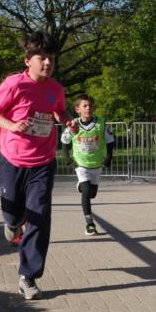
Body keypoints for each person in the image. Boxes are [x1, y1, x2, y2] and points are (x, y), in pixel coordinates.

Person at [0, 31, 75, 300]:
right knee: (13, 213)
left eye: (52, 59)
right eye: (42, 58)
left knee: (40, 215)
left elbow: (59, 111)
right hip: (12, 159)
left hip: (43, 162)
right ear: (28, 60)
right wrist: (12, 125)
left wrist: (66, 120)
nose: (47, 64)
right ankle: (12, 223)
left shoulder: (55, 89)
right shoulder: (14, 84)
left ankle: (29, 276)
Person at [60, 93, 116, 236]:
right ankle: (90, 223)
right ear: (78, 109)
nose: (88, 108)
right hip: (81, 163)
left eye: (90, 105)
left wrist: (109, 157)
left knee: (92, 194)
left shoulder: (100, 123)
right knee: (86, 191)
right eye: (84, 106)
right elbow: (65, 141)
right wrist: (66, 157)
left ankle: (81, 186)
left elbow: (110, 141)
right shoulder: (73, 124)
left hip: (96, 164)